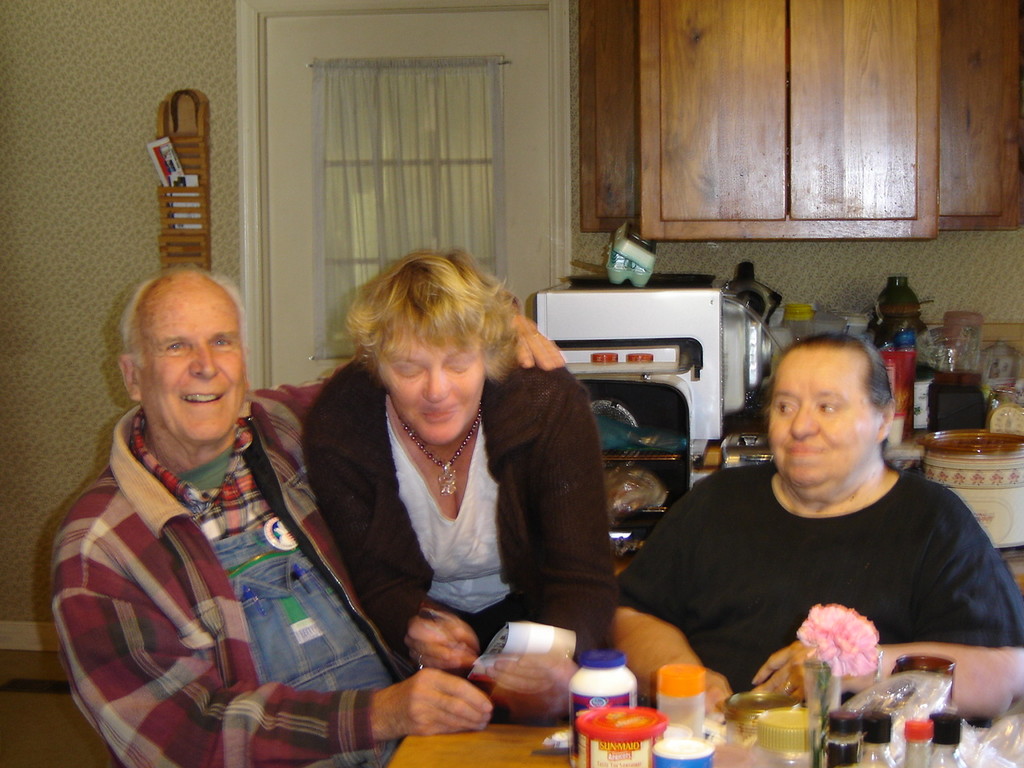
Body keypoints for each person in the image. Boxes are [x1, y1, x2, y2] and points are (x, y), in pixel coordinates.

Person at [51, 267, 561, 768]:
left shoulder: (289, 429)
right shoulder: (101, 551)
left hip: (409, 742)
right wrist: (380, 714)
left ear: (244, 360)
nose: (205, 366)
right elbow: (181, 739)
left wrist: (486, 327)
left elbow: (394, 366)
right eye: (175, 346)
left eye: (222, 342)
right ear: (132, 375)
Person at [614, 333, 1024, 719]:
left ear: (882, 420)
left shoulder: (934, 521)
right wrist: (684, 678)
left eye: (827, 407)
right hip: (716, 745)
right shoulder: (716, 501)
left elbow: (1007, 675)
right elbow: (629, 615)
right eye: (785, 407)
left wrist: (860, 666)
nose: (800, 427)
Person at [303, 250, 617, 720]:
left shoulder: (547, 404)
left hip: (539, 609)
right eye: (408, 368)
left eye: (457, 364)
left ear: (489, 356)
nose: (436, 390)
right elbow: (372, 577)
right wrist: (411, 622)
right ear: (375, 364)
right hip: (425, 633)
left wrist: (555, 652)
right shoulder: (340, 424)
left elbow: (582, 575)